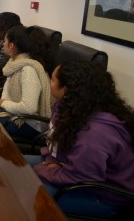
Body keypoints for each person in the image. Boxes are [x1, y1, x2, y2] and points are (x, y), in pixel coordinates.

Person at [29, 61, 134, 218]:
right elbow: (56, 140)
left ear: (66, 90)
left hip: (101, 195)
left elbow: (80, 176)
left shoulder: (94, 136)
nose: (49, 84)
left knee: (31, 198)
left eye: (52, 80)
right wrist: (52, 160)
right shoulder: (69, 107)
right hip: (70, 167)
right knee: (16, 165)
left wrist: (41, 169)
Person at [0, 25, 53, 139]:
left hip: (31, 123)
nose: (3, 44)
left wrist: (4, 104)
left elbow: (29, 108)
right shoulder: (15, 63)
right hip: (16, 114)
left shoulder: (28, 70)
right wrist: (3, 102)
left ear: (11, 45)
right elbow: (7, 88)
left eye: (5, 41)